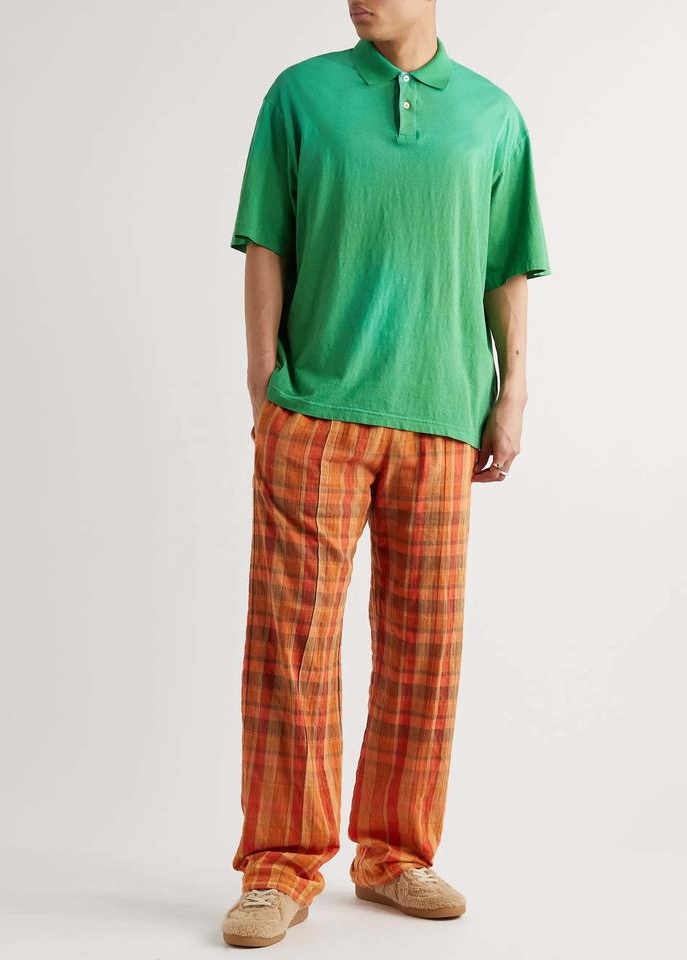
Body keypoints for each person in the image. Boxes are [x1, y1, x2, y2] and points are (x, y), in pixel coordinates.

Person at [222, 0, 550, 948]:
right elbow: (267, 241)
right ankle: (278, 866)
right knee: (292, 645)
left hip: (440, 417)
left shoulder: (492, 115)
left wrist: (513, 392)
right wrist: (265, 388)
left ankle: (395, 855)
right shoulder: (302, 95)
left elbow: (506, 267)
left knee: (423, 648)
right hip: (315, 412)